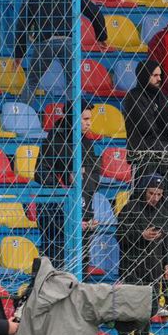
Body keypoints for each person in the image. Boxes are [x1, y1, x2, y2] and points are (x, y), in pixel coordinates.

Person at [115, 174, 168, 335]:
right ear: (144, 191)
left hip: (153, 270)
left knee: (147, 311)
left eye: (159, 194)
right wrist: (141, 235)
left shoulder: (163, 212)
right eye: (152, 193)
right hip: (131, 269)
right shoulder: (130, 209)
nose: (155, 197)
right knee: (128, 309)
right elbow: (120, 237)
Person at [17, 0, 107, 105]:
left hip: (45, 41)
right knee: (72, 84)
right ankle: (75, 119)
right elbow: (95, 12)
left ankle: (21, 116)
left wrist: (19, 53)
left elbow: (22, 25)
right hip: (68, 41)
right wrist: (101, 37)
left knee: (32, 82)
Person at [34, 106, 100, 269]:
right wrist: (65, 186)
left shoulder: (86, 142)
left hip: (82, 214)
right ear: (73, 119)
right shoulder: (55, 139)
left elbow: (94, 176)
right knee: (58, 267)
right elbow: (41, 173)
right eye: (85, 119)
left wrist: (86, 215)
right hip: (57, 216)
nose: (89, 124)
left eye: (90, 119)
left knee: (81, 267)